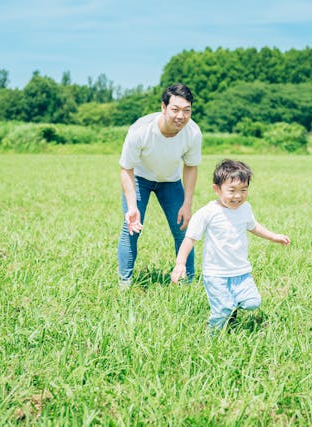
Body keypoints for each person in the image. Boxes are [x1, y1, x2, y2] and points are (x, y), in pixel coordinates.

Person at [171, 159, 291, 333]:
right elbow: (190, 238)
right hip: (216, 274)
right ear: (217, 189)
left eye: (243, 190)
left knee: (252, 303)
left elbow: (253, 226)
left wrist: (274, 237)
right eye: (232, 190)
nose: (238, 196)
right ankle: (211, 336)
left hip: (241, 272)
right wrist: (180, 263)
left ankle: (230, 310)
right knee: (222, 309)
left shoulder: (245, 208)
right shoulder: (208, 213)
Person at [117, 83, 202, 289]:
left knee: (183, 230)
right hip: (140, 179)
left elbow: (191, 167)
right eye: (175, 109)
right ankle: (124, 283)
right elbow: (126, 168)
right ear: (163, 107)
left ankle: (186, 282)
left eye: (186, 110)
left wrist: (187, 203)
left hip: (170, 182)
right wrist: (132, 206)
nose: (181, 116)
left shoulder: (192, 133)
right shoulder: (140, 131)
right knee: (132, 229)